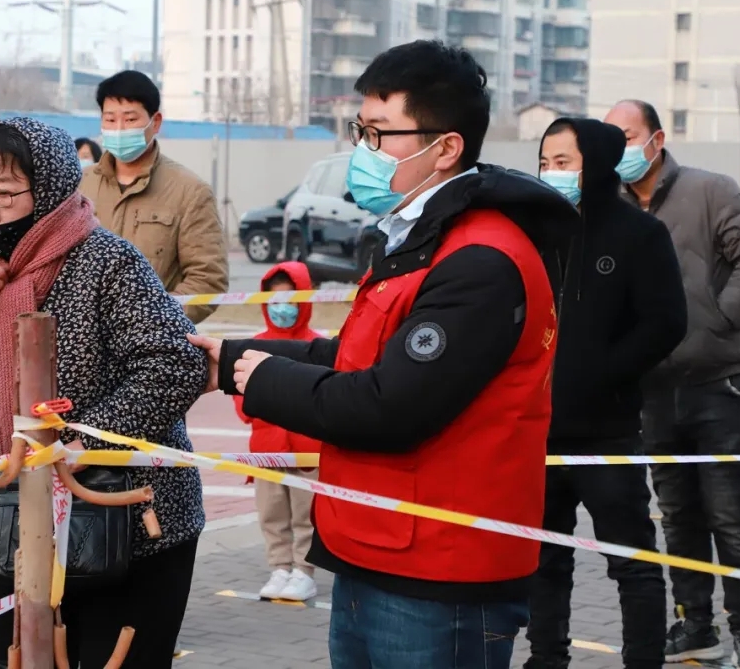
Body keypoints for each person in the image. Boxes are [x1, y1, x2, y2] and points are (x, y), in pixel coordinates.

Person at [189, 40, 578, 669]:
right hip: (378, 545)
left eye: (379, 134)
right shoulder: (417, 239)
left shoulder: (480, 260)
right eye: (360, 131)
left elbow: (389, 405)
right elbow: (355, 357)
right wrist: (232, 358)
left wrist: (261, 379)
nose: (362, 152)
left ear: (445, 148)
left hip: (440, 572)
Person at [0, 117, 208, 669]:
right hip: (21, 522)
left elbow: (175, 364)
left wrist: (82, 441)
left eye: (5, 194)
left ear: (49, 190)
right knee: (15, 657)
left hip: (131, 522)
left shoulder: (109, 262)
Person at [606, 99, 740, 667]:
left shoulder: (710, 189)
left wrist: (720, 318)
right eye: (611, 138)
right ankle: (695, 622)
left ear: (656, 139)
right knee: (676, 514)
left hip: (719, 382)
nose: (621, 149)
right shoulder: (610, 207)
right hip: (653, 390)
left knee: (731, 514)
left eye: (628, 136)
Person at [525, 117, 687, 669]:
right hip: (539, 432)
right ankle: (546, 658)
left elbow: (665, 323)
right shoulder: (535, 230)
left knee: (632, 562)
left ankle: (643, 659)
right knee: (545, 560)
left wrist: (601, 374)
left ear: (594, 165)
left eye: (563, 163)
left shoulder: (639, 233)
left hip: (607, 433)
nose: (550, 173)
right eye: (544, 163)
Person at [78, 70, 228, 325]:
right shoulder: (79, 186)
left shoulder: (190, 191)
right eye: (110, 119)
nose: (119, 129)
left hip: (151, 340)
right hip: (83, 338)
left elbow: (208, 279)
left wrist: (151, 319)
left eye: (130, 119)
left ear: (155, 122)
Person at [232, 261, 323, 603]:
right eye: (275, 301)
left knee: (306, 514)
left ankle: (304, 571)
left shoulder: (318, 346)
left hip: (307, 448)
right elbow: (243, 404)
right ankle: (280, 567)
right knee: (272, 513)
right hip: (266, 448)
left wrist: (271, 396)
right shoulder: (253, 345)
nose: (282, 308)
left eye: (290, 300)